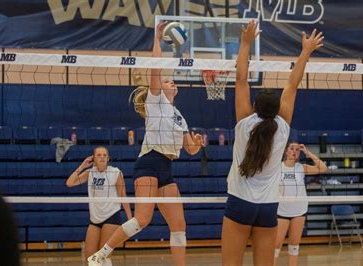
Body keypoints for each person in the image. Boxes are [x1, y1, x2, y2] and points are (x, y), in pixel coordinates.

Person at [88, 22, 203, 266]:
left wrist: (197, 144)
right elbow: (156, 68)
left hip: (166, 168)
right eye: (167, 80)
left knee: (179, 224)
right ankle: (100, 255)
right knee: (142, 219)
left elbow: (190, 151)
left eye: (172, 81)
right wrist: (157, 40)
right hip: (149, 162)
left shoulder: (180, 116)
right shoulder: (155, 101)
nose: (170, 82)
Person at [221, 20, 324, 266]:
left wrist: (245, 43)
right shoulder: (283, 127)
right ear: (278, 110)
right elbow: (292, 84)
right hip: (268, 207)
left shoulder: (245, 122)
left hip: (240, 202)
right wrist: (306, 51)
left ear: (255, 107)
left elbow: (241, 80)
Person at [66, 146, 132, 266]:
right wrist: (82, 166)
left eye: (104, 155)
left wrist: (130, 219)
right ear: (93, 159)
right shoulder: (90, 173)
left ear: (108, 158)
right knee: (90, 258)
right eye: (99, 155)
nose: (102, 157)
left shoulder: (115, 172)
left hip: (112, 216)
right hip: (95, 219)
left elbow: (123, 196)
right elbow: (70, 183)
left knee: (102, 256)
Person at [274, 142, 327, 266]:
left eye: (297, 150)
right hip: (282, 211)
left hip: (299, 210)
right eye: (291, 149)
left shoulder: (301, 168)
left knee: (294, 245)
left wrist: (308, 153)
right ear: (285, 151)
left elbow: (323, 168)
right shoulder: (277, 168)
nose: (294, 151)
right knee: (276, 245)